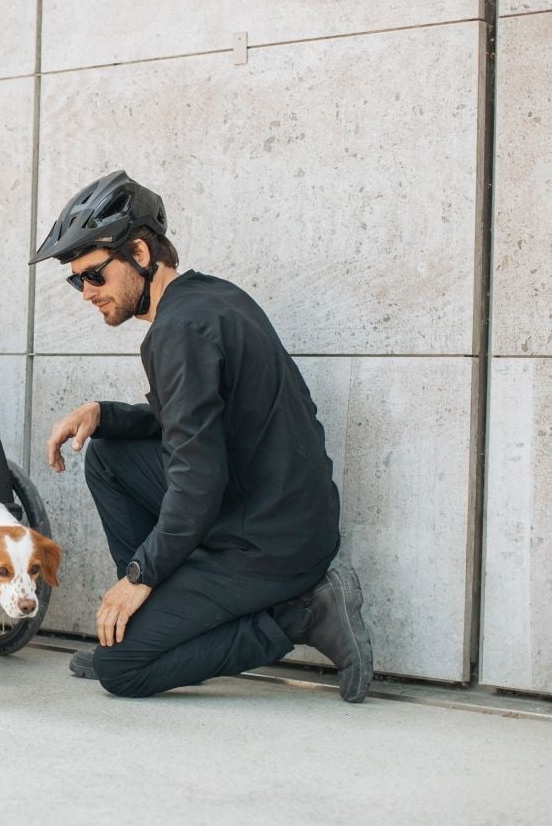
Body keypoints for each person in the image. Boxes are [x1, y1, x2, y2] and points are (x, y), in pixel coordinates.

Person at [32, 170, 374, 702]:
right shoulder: (206, 299)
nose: (86, 293)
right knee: (108, 455)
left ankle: (303, 614)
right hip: (273, 511)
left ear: (140, 253)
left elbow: (198, 473)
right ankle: (143, 627)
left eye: (94, 275)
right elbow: (189, 425)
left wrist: (141, 574)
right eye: (77, 281)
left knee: (121, 671)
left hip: (267, 543)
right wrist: (103, 413)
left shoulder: (179, 331)